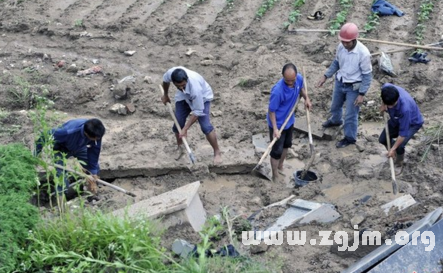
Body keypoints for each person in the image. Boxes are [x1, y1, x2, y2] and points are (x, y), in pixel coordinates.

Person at [316, 22, 373, 148]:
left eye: (347, 42)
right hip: (340, 81)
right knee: (335, 106)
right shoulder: (341, 47)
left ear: (354, 40)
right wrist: (326, 76)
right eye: (343, 42)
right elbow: (336, 63)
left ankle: (350, 138)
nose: (345, 44)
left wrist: (362, 94)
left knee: (351, 114)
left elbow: (367, 76)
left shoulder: (363, 53)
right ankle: (335, 121)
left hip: (354, 87)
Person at [161, 66, 222, 165]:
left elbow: (198, 111)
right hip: (183, 98)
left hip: (203, 98)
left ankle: (217, 151)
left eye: (183, 86)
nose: (181, 88)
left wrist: (185, 128)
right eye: (178, 87)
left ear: (187, 80)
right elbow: (165, 81)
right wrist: (165, 95)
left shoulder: (195, 88)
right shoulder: (170, 74)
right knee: (178, 123)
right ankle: (181, 148)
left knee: (205, 127)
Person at [35, 118, 106, 195]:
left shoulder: (97, 133)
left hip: (80, 147)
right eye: (95, 139)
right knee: (61, 177)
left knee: (94, 169)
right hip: (61, 148)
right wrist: (36, 153)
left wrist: (93, 172)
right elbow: (45, 135)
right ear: (86, 133)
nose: (97, 140)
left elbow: (94, 151)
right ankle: (60, 200)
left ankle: (91, 193)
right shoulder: (67, 131)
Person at [267, 63, 312, 182]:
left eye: (292, 80)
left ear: (296, 76)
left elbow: (301, 88)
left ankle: (281, 165)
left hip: (289, 120)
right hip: (278, 123)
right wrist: (275, 129)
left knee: (287, 145)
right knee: (276, 151)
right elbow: (271, 111)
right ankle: (275, 174)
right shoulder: (278, 91)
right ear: (282, 76)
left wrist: (306, 98)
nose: (291, 83)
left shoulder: (299, 79)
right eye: (287, 81)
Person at [379, 83, 424, 166]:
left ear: (397, 99)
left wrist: (393, 148)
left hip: (412, 123)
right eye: (389, 105)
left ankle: (399, 161)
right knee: (382, 139)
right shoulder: (386, 89)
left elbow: (402, 134)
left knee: (400, 145)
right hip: (396, 118)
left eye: (392, 105)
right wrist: (383, 104)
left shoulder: (405, 109)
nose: (390, 107)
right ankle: (393, 153)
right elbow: (384, 92)